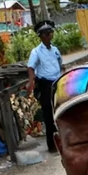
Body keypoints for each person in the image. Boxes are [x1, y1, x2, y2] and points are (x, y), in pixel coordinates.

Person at [25, 21, 64, 153]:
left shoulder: (55, 50)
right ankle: (52, 145)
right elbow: (31, 67)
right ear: (41, 36)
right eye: (46, 34)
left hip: (57, 83)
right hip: (46, 85)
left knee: (60, 111)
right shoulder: (36, 52)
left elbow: (61, 64)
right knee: (48, 115)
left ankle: (63, 141)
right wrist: (31, 82)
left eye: (50, 33)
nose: (49, 35)